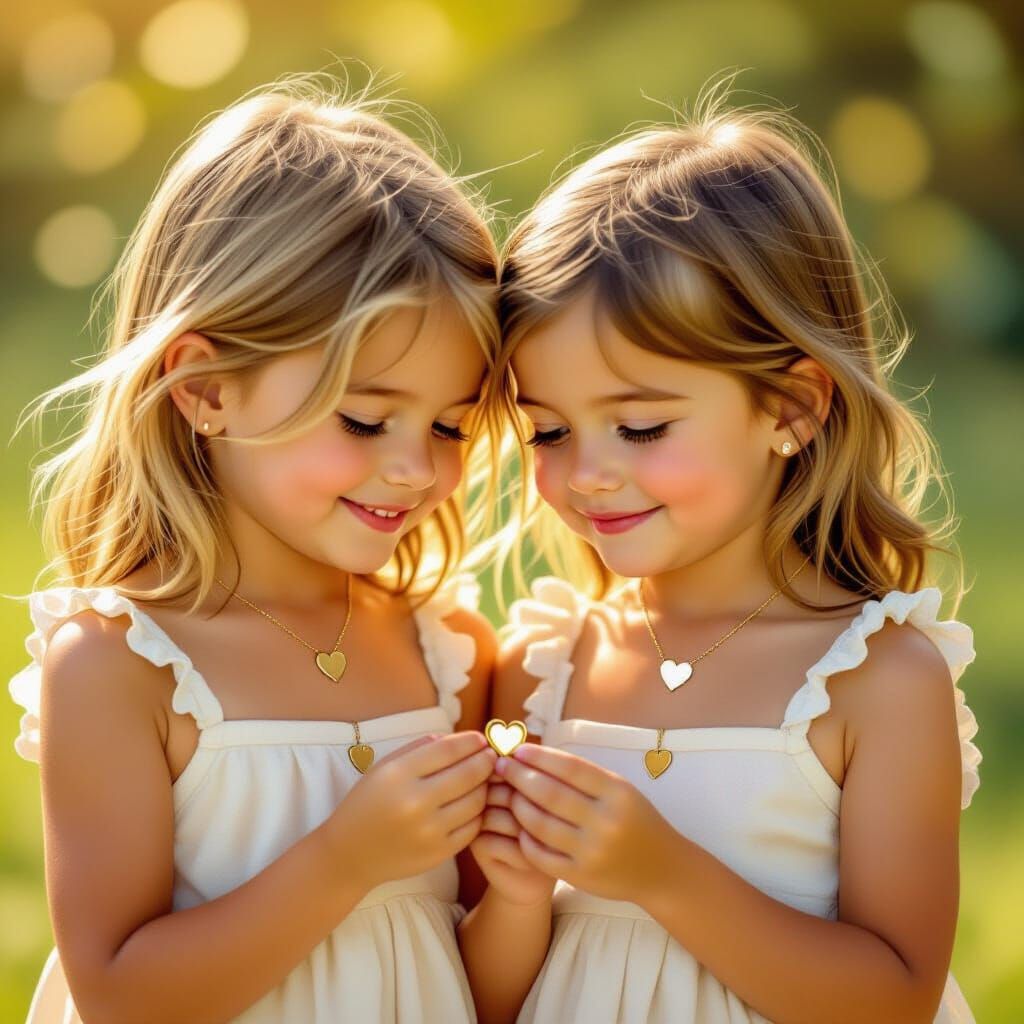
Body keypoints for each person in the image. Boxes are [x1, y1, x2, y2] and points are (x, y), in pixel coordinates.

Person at [460, 87, 982, 1023]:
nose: (588, 474)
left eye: (641, 427)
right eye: (548, 432)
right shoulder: (539, 670)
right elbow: (485, 1000)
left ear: (792, 407)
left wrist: (663, 875)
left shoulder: (877, 681)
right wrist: (518, 899)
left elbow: (896, 998)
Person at [9, 79, 504, 1023]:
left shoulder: (448, 656)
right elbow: (118, 994)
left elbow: (484, 965)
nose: (417, 469)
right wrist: (346, 859)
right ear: (206, 390)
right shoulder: (121, 667)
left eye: (451, 424)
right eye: (365, 420)